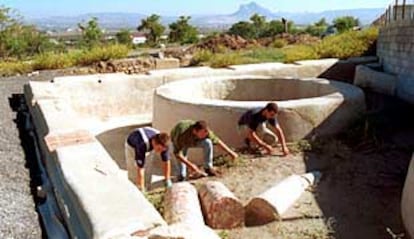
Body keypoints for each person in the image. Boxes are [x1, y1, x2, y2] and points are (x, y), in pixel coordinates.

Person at [170, 120, 238, 181]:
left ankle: (208, 168)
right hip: (181, 142)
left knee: (207, 142)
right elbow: (177, 154)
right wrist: (191, 166)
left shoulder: (206, 132)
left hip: (195, 140)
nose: (205, 135)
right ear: (195, 131)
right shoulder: (181, 135)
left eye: (206, 133)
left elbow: (217, 141)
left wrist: (231, 153)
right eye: (202, 133)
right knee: (182, 175)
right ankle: (181, 177)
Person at [125, 126, 171, 191]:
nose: (159, 152)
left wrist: (167, 179)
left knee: (148, 170)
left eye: (162, 150)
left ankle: (147, 189)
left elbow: (166, 161)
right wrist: (141, 188)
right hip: (132, 146)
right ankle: (135, 192)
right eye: (159, 149)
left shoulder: (164, 143)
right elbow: (140, 169)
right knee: (134, 173)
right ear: (154, 142)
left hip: (148, 145)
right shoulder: (142, 144)